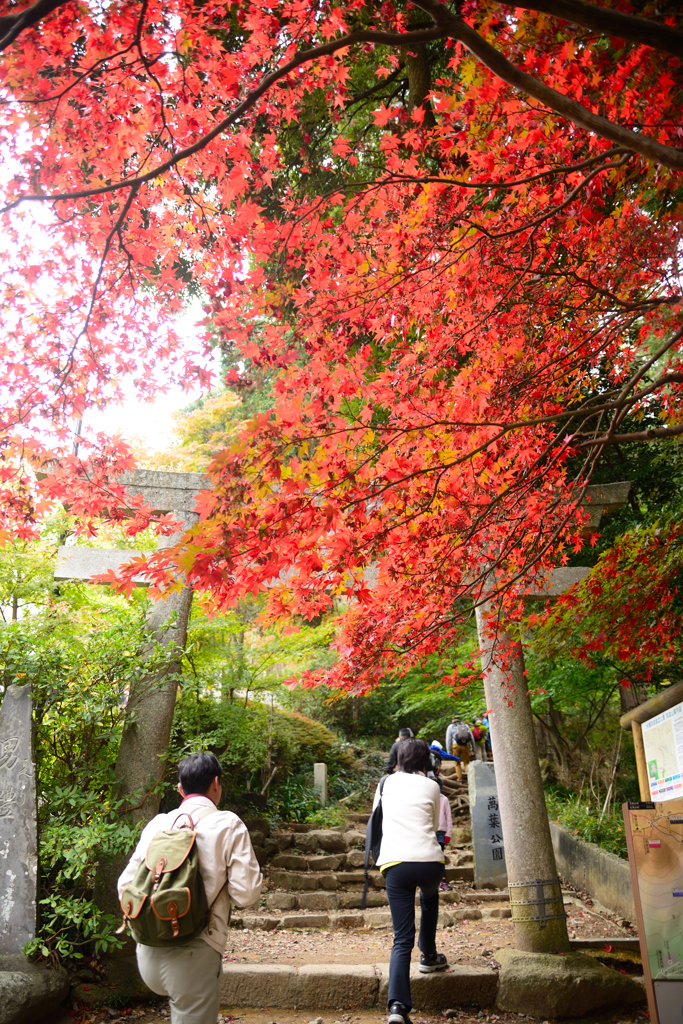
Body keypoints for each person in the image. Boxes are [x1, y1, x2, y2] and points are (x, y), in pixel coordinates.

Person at [117, 752, 263, 1024]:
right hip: (195, 951)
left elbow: (125, 884)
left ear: (180, 788)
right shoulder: (229, 824)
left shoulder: (158, 824)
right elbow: (247, 894)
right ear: (216, 783)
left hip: (147, 950)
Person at [373, 737, 449, 1024]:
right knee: (429, 899)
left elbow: (376, 818)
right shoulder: (433, 786)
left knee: (401, 938)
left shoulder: (385, 784)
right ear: (425, 761)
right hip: (430, 862)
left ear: (399, 758)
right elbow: (435, 826)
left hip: (396, 864)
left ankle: (397, 1009)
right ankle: (428, 955)